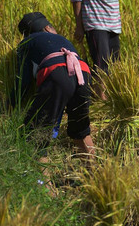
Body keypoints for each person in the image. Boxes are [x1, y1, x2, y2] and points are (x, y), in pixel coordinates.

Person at [10, 12, 95, 157]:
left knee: (37, 133)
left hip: (57, 74)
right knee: (80, 129)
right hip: (84, 74)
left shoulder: (26, 42)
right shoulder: (63, 39)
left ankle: (44, 180)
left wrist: (10, 103)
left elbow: (22, 81)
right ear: (48, 28)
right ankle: (96, 171)